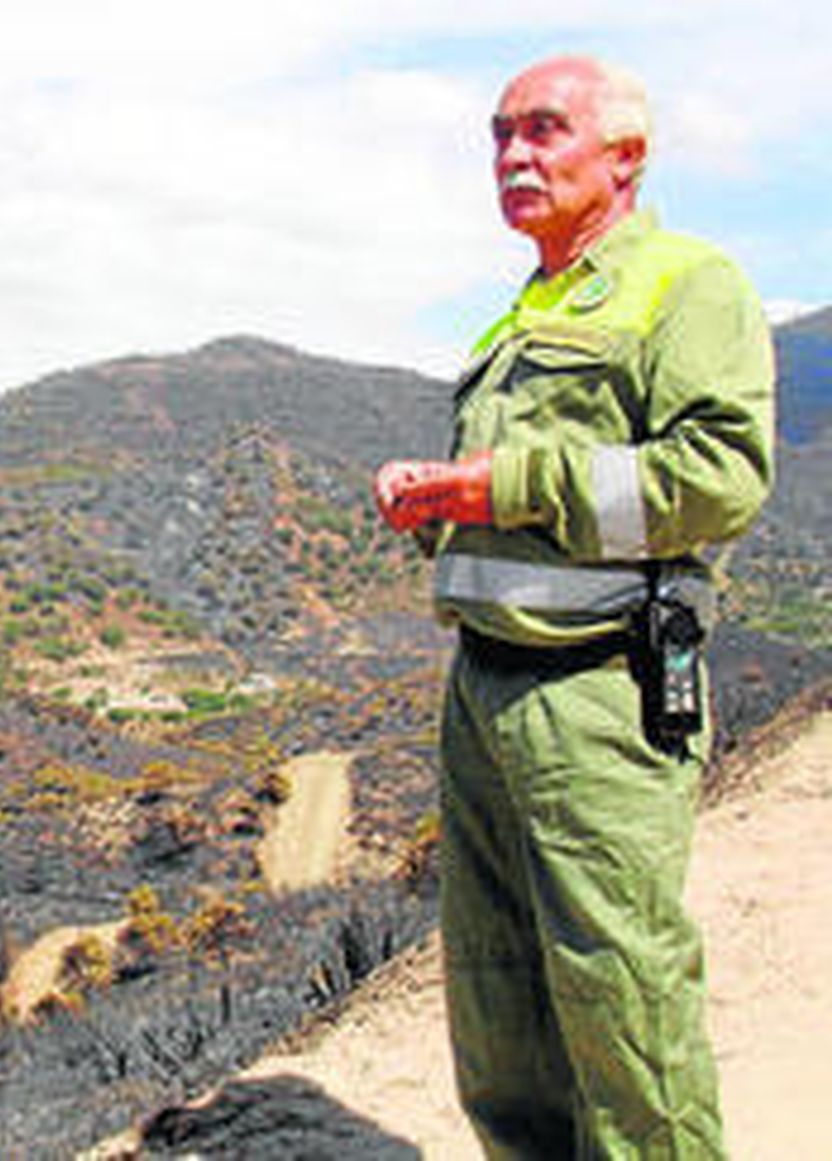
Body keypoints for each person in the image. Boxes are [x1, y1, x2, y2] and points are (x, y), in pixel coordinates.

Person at [373, 56, 775, 1158]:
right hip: (486, 690)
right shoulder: (529, 309)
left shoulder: (687, 284)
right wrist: (437, 496)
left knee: (622, 1014)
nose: (512, 156)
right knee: (499, 1024)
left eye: (543, 131)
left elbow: (719, 480)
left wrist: (501, 484)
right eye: (498, 136)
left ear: (626, 155)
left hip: (599, 693)